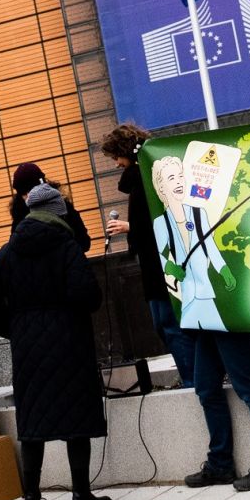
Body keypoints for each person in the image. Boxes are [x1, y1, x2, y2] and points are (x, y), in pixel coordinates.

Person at [147, 156, 250, 492]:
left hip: (218, 307)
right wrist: (171, 269)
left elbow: (211, 250)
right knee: (206, 388)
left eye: (180, 174)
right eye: (170, 177)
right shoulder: (160, 225)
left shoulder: (199, 212)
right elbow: (164, 258)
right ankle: (221, 463)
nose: (179, 180)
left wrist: (224, 273)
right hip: (193, 312)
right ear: (161, 189)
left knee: (249, 386)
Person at [0, 183, 113, 500]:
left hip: (27, 347)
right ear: (56, 212)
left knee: (32, 422)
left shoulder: (9, 249)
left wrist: (10, 326)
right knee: (75, 419)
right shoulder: (66, 244)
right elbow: (87, 294)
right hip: (68, 341)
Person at [101, 123, 196, 386]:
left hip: (160, 265)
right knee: (169, 324)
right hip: (162, 262)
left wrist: (130, 228)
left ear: (127, 154)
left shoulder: (144, 181)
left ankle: (193, 379)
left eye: (115, 157)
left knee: (168, 323)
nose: (116, 163)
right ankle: (195, 376)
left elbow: (160, 222)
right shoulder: (150, 177)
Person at [8, 162, 91, 250]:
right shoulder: (19, 215)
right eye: (23, 193)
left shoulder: (65, 209)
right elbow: (14, 249)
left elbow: (84, 242)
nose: (29, 196)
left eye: (31, 190)